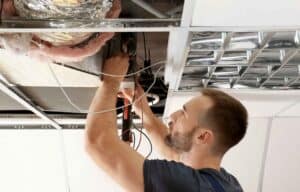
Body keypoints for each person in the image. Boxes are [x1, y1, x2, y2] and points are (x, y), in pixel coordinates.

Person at [85, 54, 248, 192]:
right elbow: (176, 154)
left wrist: (111, 80)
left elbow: (98, 142)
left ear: (203, 136)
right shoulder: (227, 183)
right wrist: (143, 110)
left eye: (184, 113)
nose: (172, 116)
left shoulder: (190, 185)